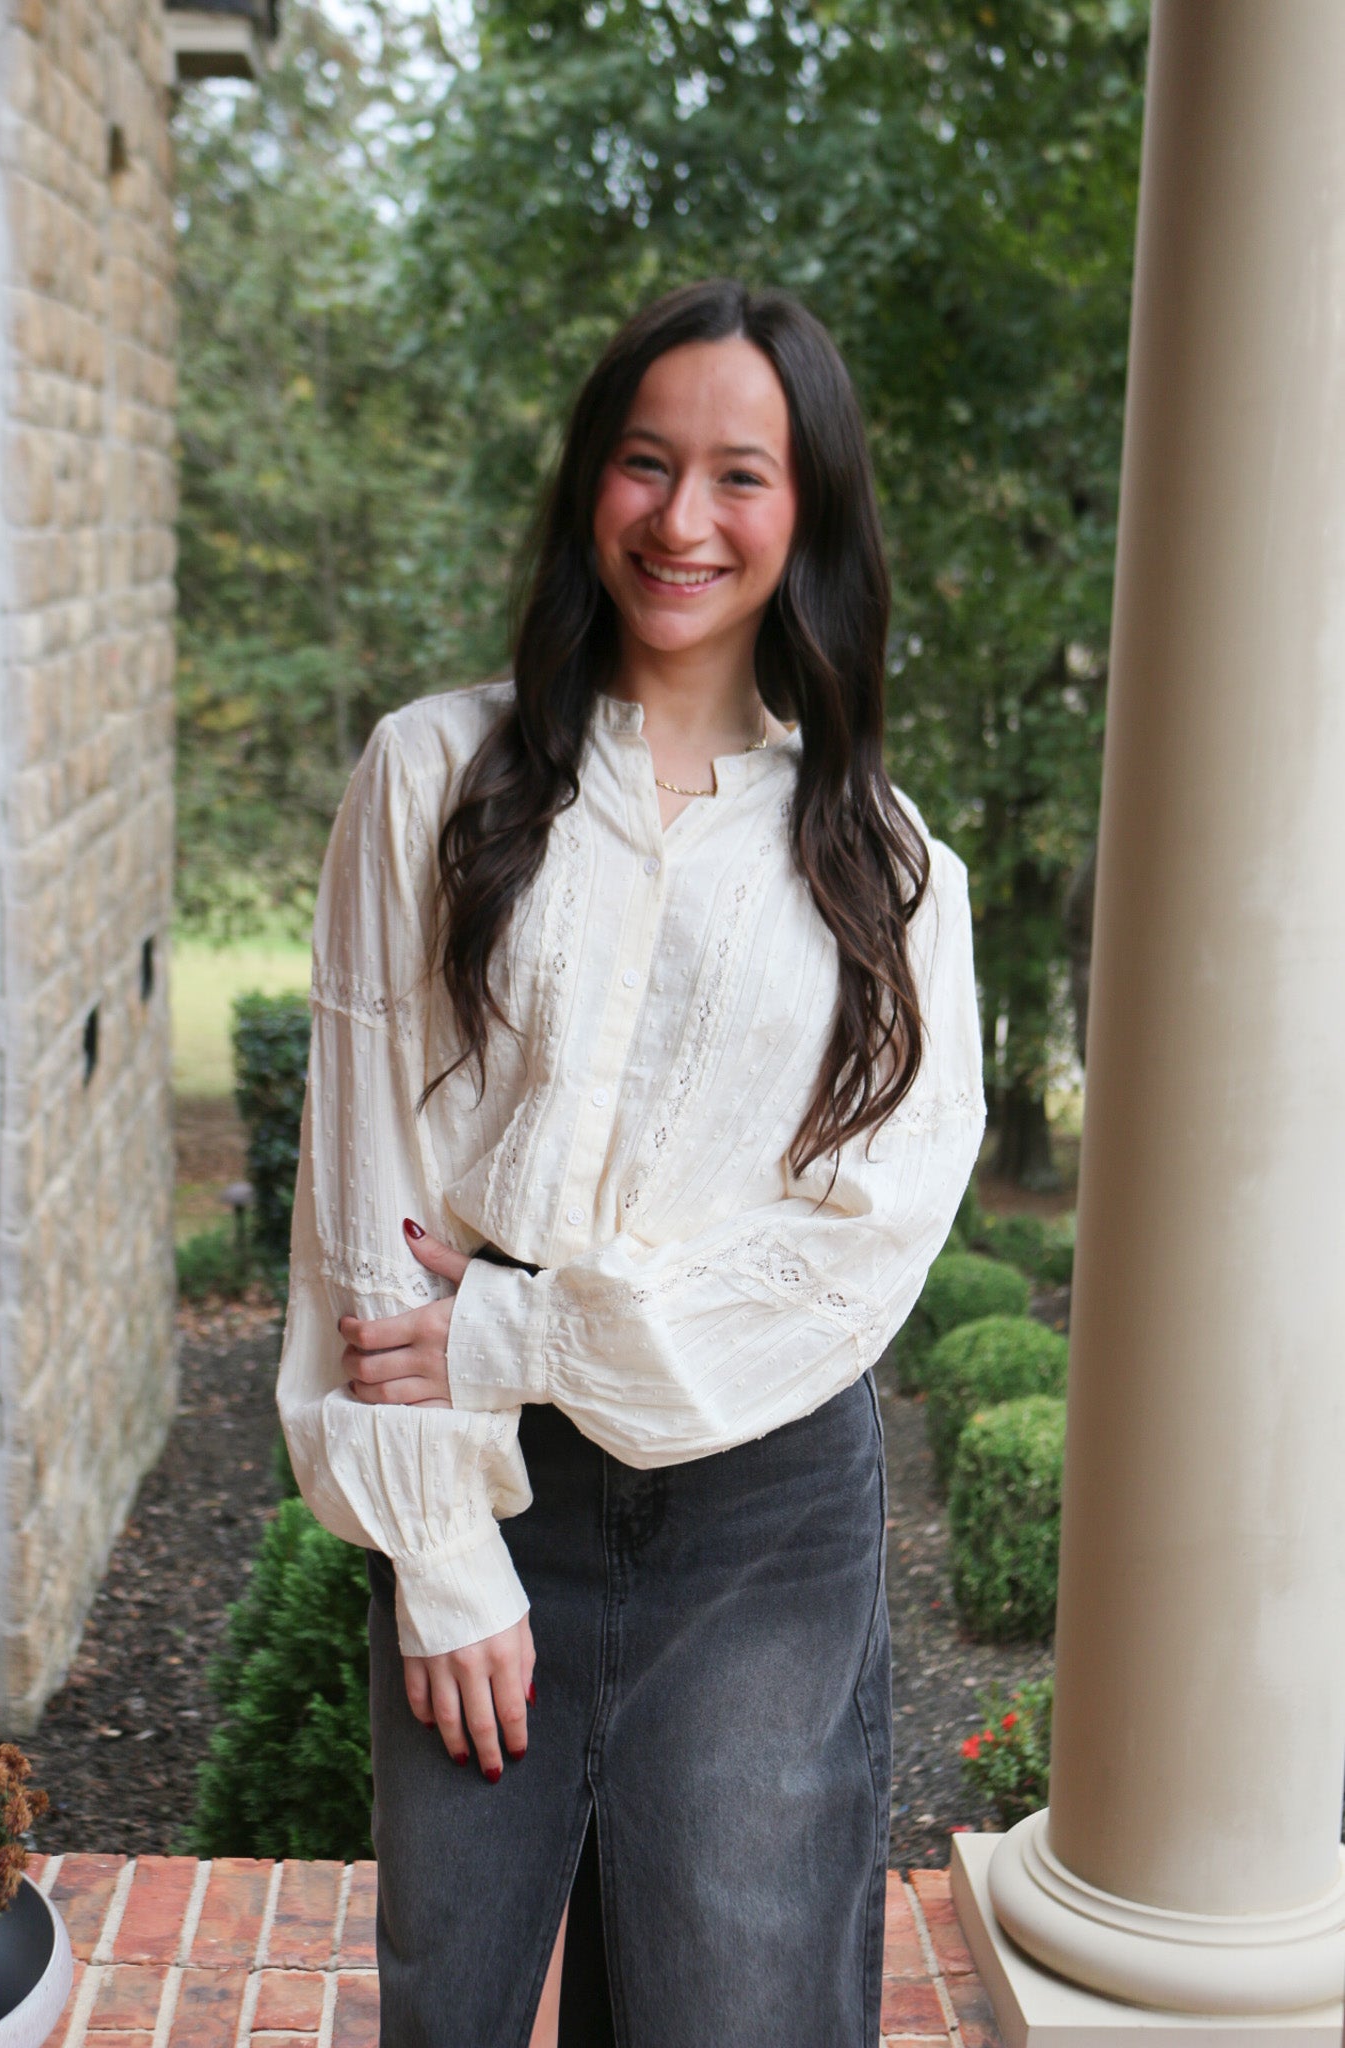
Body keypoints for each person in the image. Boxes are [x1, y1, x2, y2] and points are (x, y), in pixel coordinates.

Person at [277, 277, 985, 2048]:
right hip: (480, 1469)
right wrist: (439, 1552)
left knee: (731, 2014)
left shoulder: (894, 874)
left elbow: (858, 1245)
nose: (682, 519)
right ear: (588, 481)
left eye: (740, 476)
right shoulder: (432, 774)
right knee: (458, 2006)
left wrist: (520, 1336)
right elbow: (370, 1195)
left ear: (804, 511)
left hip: (761, 1514)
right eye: (644, 464)